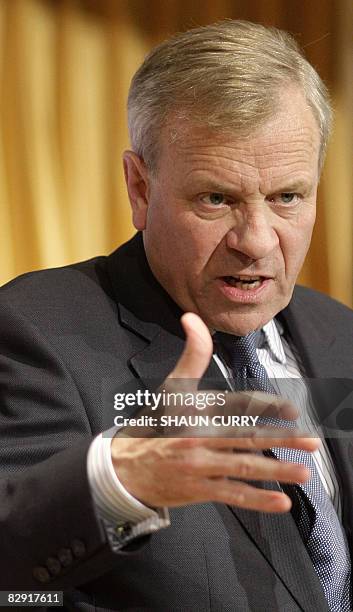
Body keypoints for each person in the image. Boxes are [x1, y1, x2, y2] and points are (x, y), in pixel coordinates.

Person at [0, 19, 352, 612]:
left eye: (287, 196)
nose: (258, 241)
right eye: (217, 199)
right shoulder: (38, 332)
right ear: (140, 188)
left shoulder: (338, 332)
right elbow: (13, 579)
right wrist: (118, 487)